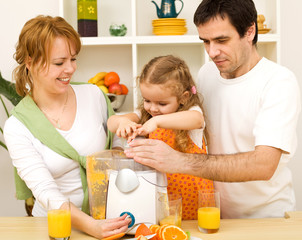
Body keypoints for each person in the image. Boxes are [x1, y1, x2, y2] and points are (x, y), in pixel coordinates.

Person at [124, 0, 301, 219]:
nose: (212, 52)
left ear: (250, 31)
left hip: (266, 216)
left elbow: (263, 165)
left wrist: (179, 161)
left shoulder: (278, 81)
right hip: (212, 214)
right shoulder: (207, 73)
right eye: (205, 41)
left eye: (221, 40)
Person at [3, 15, 130, 239]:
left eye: (73, 59)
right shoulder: (17, 126)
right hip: (57, 229)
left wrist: (117, 156)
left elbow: (116, 139)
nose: (70, 69)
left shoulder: (94, 95)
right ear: (30, 63)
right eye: (59, 63)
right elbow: (45, 191)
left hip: (107, 219)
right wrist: (92, 227)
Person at [107, 55, 213, 220]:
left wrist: (156, 121)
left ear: (184, 97)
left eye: (162, 104)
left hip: (194, 200)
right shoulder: (145, 114)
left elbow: (197, 120)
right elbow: (111, 122)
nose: (153, 108)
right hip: (161, 197)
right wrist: (122, 122)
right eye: (147, 100)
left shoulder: (191, 112)